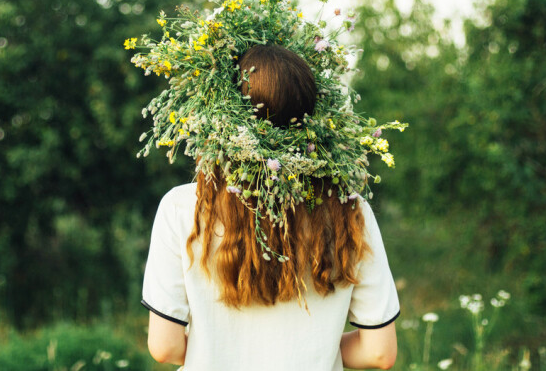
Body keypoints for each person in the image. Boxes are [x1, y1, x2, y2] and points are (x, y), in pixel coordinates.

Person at [141, 45, 400, 370]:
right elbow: (380, 353)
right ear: (311, 114)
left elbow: (165, 347)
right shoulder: (350, 210)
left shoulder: (181, 207)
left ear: (226, 111)